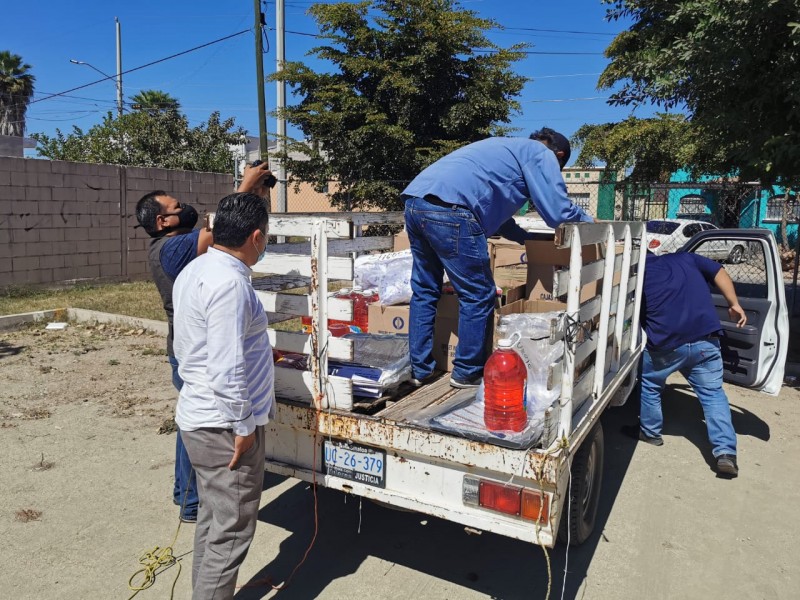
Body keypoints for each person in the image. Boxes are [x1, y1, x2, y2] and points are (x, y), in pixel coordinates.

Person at [402, 128, 594, 389]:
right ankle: (467, 372)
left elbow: (500, 217)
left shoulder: (504, 149)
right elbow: (557, 213)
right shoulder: (542, 154)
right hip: (452, 210)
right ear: (559, 155)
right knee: (479, 293)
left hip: (415, 203)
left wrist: (526, 239)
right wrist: (591, 224)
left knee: (425, 290)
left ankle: (420, 370)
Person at [135, 163, 273, 522]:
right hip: (194, 350)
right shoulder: (171, 248)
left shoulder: (175, 249)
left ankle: (189, 494)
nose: (185, 210)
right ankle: (192, 501)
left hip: (188, 344)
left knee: (192, 425)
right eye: (176, 208)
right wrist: (245, 188)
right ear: (163, 222)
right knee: (195, 428)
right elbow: (226, 232)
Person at [172, 192, 275, 599]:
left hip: (200, 416)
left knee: (214, 524)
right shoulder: (229, 283)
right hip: (222, 426)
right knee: (231, 533)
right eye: (265, 237)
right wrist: (243, 425)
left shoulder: (196, 270)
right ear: (255, 237)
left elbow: (186, 351)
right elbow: (227, 366)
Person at [632, 251, 747, 478]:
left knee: (650, 383)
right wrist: (734, 304)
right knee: (713, 395)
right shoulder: (688, 258)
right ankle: (725, 453)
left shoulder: (636, 272)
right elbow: (719, 271)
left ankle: (651, 433)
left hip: (666, 346)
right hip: (706, 340)